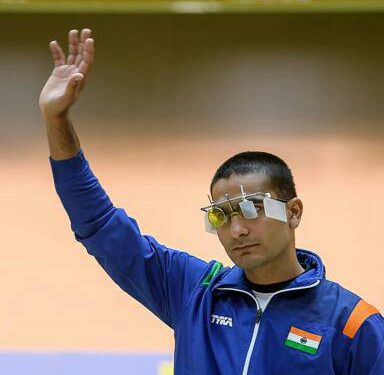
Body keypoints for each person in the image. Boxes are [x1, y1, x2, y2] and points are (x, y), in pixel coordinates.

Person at [39, 29, 384, 375]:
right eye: (220, 216)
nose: (237, 229)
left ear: (293, 212)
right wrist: (57, 120)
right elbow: (100, 227)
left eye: (252, 208)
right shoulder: (195, 292)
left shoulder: (353, 323)